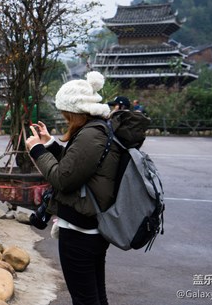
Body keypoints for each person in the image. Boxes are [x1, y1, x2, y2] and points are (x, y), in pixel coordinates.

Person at [24, 71, 147, 305]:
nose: (64, 117)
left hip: (80, 232)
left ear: (74, 111)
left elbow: (63, 179)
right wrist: (50, 143)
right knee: (96, 296)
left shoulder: (91, 135)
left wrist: (36, 150)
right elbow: (81, 166)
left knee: (85, 299)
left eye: (65, 113)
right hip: (92, 229)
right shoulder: (98, 128)